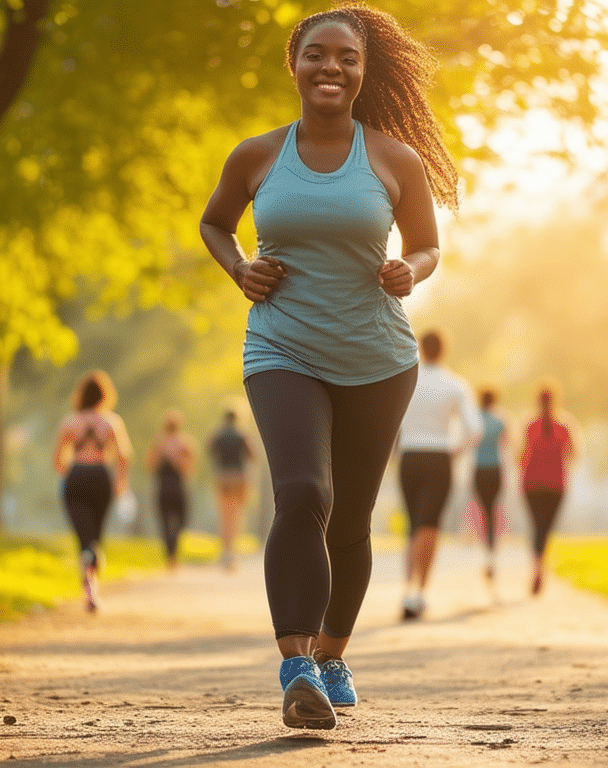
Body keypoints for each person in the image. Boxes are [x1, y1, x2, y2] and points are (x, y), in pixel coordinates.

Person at [198, 1, 458, 730]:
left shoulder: (391, 158)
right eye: (317, 54)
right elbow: (214, 222)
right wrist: (240, 267)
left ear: (363, 70)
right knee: (304, 491)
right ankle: (296, 667)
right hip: (282, 347)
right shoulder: (256, 155)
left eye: (347, 57)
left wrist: (412, 267)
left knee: (350, 519)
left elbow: (428, 243)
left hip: (377, 358)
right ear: (295, 64)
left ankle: (335, 653)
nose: (331, 67)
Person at [397, 330, 482, 620]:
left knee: (413, 525)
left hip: (408, 456)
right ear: (445, 351)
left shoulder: (406, 379)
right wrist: (456, 451)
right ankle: (420, 592)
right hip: (439, 457)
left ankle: (408, 590)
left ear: (421, 347)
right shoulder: (455, 384)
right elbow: (475, 429)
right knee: (429, 525)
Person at [52, 370, 133, 613]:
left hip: (76, 477)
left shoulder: (70, 422)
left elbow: (57, 460)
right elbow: (123, 455)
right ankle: (93, 582)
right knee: (96, 535)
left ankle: (90, 589)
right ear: (104, 396)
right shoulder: (111, 421)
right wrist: (121, 481)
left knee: (83, 535)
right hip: (100, 478)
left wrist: (70, 470)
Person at [518, 382, 575, 597]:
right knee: (546, 528)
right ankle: (541, 566)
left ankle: (537, 566)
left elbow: (520, 456)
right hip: (556, 485)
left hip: (531, 483)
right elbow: (573, 454)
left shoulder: (529, 424)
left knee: (536, 526)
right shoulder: (565, 424)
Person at [145, 409, 197, 571]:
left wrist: (168, 457)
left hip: (167, 487)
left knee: (170, 521)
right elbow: (188, 469)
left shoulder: (164, 443)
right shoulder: (184, 443)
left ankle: (171, 555)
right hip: (174, 486)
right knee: (176, 521)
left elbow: (150, 466)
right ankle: (171, 555)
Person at [208, 407, 256, 571]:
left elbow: (210, 451)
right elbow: (252, 455)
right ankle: (232, 554)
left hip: (222, 477)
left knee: (224, 514)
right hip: (239, 478)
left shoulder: (218, 434)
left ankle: (225, 552)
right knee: (236, 515)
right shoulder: (242, 434)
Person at [472, 386, 508, 584]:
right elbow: (507, 445)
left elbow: (469, 440)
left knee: (483, 510)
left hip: (479, 470)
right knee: (492, 511)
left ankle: (486, 552)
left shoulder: (475, 419)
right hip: (496, 470)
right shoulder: (500, 420)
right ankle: (491, 553)